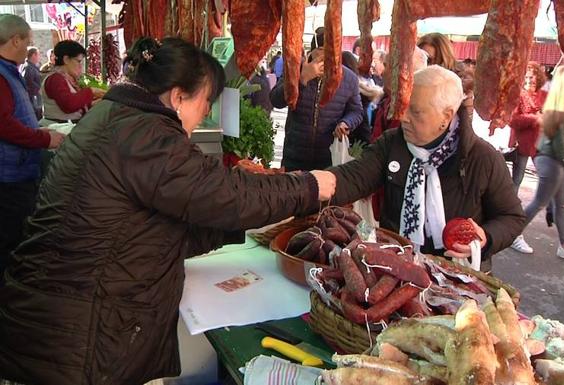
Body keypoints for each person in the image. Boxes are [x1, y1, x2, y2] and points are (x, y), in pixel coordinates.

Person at [0, 37, 336, 385]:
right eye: (205, 103)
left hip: (53, 322)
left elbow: (159, 233)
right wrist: (308, 187)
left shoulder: (116, 115)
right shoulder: (144, 133)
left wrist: (241, 229)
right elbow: (224, 193)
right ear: (178, 96)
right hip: (73, 336)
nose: (205, 114)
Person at [329, 65, 525, 271]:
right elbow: (351, 178)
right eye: (405, 107)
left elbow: (512, 217)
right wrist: (308, 185)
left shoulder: (482, 158)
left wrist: (486, 238)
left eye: (415, 111)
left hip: (459, 275)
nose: (404, 117)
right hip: (397, 270)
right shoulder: (392, 144)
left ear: (446, 116)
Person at [0, 14, 64, 276]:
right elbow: (3, 124)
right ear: (15, 40)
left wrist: (39, 131)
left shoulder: (9, 72)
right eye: (26, 41)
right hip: (9, 178)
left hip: (18, 172)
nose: (28, 47)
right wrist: (43, 138)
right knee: (10, 241)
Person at [511, 65, 564, 262]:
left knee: (559, 205)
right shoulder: (560, 112)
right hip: (553, 162)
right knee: (540, 202)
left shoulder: (560, 109)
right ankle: (513, 234)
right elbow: (563, 148)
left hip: (553, 162)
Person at [269, 29, 363, 171]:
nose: (327, 56)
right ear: (312, 51)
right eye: (321, 50)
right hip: (294, 156)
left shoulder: (349, 78)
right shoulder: (296, 69)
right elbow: (275, 100)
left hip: (328, 159)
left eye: (332, 51)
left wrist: (346, 123)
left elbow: (356, 111)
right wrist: (302, 79)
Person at [40, 40, 105, 125]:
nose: (80, 66)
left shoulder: (67, 79)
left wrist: (99, 102)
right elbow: (69, 104)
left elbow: (77, 105)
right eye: (78, 61)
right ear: (66, 59)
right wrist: (91, 91)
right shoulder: (55, 79)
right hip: (58, 130)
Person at [508, 61, 548, 192]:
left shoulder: (544, 95)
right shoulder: (517, 95)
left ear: (539, 77)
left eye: (532, 76)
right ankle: (510, 209)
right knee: (517, 180)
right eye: (526, 77)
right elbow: (512, 120)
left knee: (546, 178)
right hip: (522, 144)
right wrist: (534, 118)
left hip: (541, 144)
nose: (529, 80)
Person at [20, 46, 42, 119]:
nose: (39, 57)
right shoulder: (28, 67)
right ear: (33, 55)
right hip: (32, 97)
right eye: (38, 54)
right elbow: (28, 81)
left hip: (34, 96)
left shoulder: (32, 66)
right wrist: (38, 89)